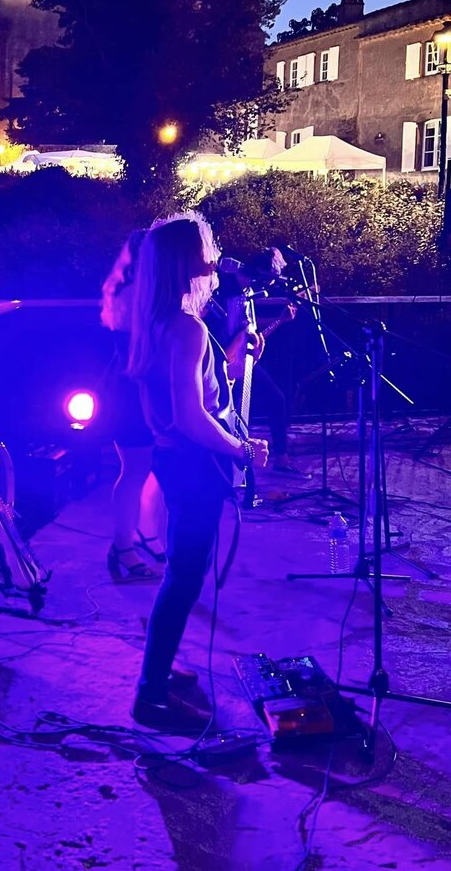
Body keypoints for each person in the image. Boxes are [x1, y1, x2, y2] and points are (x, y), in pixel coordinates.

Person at [127, 213, 269, 733]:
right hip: (194, 466)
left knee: (181, 573)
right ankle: (150, 695)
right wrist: (241, 449)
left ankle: (160, 669)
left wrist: (235, 359)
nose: (215, 253)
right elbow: (192, 417)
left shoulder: (159, 322)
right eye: (207, 245)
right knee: (184, 576)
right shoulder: (186, 328)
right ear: (187, 259)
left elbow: (190, 399)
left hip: (175, 461)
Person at [100, 230, 167, 581]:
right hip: (132, 390)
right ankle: (122, 547)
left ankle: (144, 534)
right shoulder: (131, 294)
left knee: (150, 467)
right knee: (134, 469)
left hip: (142, 388)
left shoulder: (145, 290)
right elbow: (137, 354)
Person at [210, 248, 308, 475]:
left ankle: (280, 459)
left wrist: (279, 320)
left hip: (242, 362)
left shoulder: (247, 293)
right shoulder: (222, 290)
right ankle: (230, 465)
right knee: (228, 412)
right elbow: (228, 331)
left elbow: (248, 329)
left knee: (276, 400)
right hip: (223, 364)